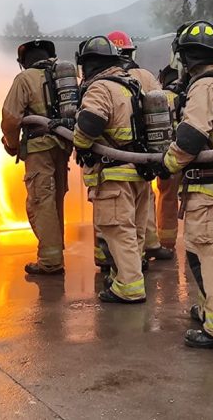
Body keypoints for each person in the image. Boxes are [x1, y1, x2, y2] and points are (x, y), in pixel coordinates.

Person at [160, 20, 213, 350]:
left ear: (186, 59)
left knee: (209, 257)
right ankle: (212, 310)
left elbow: (191, 137)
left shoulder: (205, 86)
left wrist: (166, 164)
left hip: (207, 190)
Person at [72, 35, 150, 304]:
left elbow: (91, 122)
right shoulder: (131, 85)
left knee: (118, 231)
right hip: (138, 173)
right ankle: (124, 277)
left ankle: (129, 287)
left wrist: (80, 144)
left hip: (114, 175)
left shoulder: (101, 88)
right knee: (134, 233)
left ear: (90, 64)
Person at [0, 40, 70, 276]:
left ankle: (50, 261)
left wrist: (11, 145)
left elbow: (10, 118)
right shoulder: (65, 78)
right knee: (56, 197)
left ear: (24, 62)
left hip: (39, 148)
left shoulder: (24, 79)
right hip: (63, 145)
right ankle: (56, 252)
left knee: (41, 201)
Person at [107, 30, 173, 262]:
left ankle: (111, 258)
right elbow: (163, 108)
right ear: (130, 51)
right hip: (145, 153)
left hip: (112, 156)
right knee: (144, 198)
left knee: (112, 209)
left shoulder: (102, 81)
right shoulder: (145, 75)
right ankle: (150, 244)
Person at [155, 64, 185, 250]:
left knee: (167, 197)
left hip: (166, 157)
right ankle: (195, 242)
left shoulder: (159, 98)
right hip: (193, 155)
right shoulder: (191, 94)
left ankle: (166, 243)